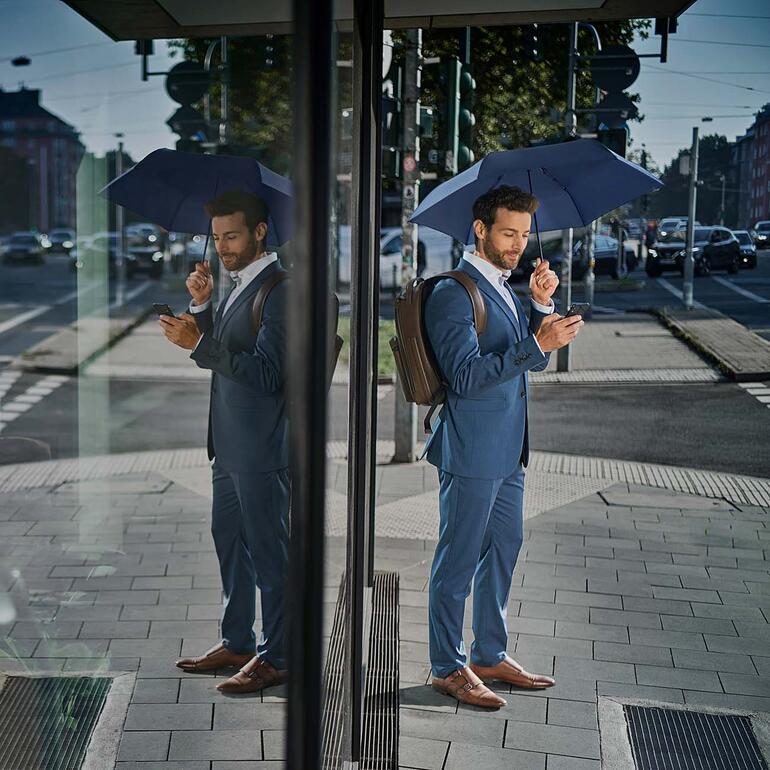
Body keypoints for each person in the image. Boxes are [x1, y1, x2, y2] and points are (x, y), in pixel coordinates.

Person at [423, 185, 584, 709]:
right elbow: (466, 378)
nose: (517, 244)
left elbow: (524, 359)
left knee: (502, 552)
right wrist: (538, 342)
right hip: (472, 451)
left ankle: (489, 653)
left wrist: (539, 307)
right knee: (458, 561)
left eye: (523, 234)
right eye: (507, 233)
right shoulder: (454, 293)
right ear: (480, 230)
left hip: (509, 449)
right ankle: (447, 667)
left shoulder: (504, 290)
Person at [158, 190, 290, 695]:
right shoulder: (239, 284)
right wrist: (202, 305)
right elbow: (231, 348)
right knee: (230, 544)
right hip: (230, 446)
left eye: (231, 236)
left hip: (263, 449)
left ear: (259, 232)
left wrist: (197, 343)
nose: (222, 247)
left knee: (270, 555)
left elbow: (268, 374)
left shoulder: (281, 291)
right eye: (216, 238)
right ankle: (237, 642)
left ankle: (278, 656)